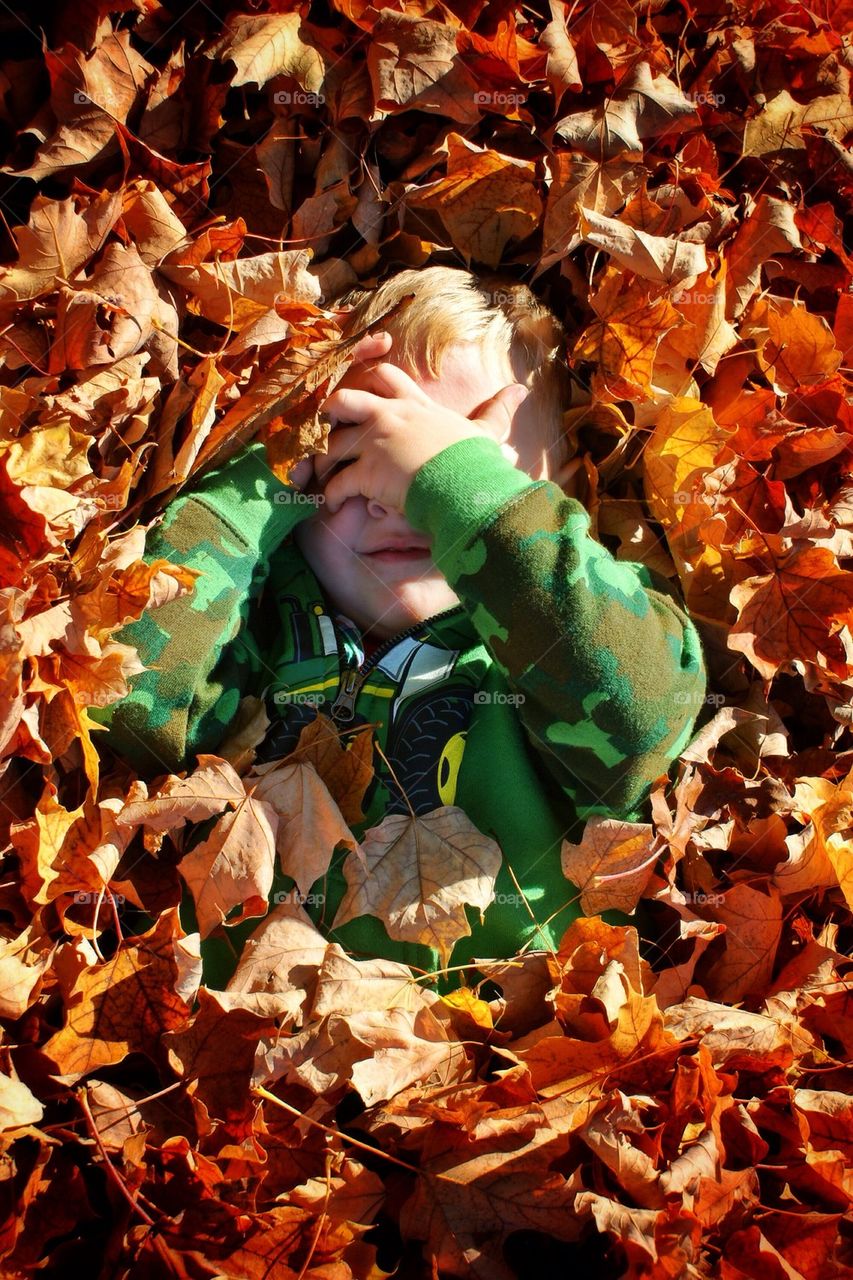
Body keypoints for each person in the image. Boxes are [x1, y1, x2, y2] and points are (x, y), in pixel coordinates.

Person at [91, 266, 707, 990]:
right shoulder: (241, 625)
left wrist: (463, 495)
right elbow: (122, 701)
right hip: (225, 1061)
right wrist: (257, 477)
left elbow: (640, 713)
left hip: (503, 1066)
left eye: (464, 452)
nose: (400, 498)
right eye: (353, 448)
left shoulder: (557, 646)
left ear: (564, 489)